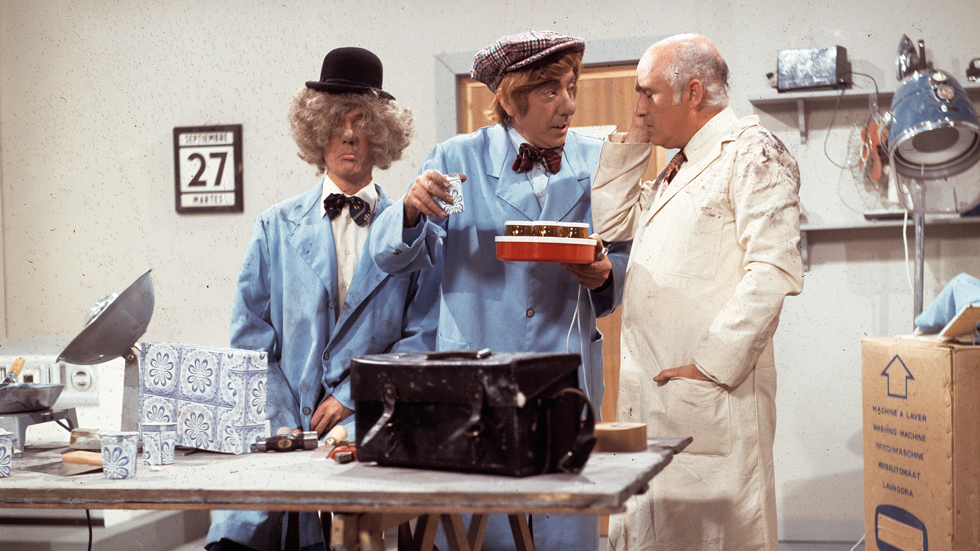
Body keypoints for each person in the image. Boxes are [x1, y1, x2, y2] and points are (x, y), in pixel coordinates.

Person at [368, 30, 629, 551]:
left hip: (564, 376)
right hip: (476, 382)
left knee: (562, 526)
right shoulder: (457, 159)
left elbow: (623, 256)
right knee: (478, 532)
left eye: (571, 88)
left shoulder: (599, 161)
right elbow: (389, 257)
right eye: (551, 91)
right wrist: (411, 210)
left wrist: (606, 275)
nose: (569, 105)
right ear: (510, 100)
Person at [206, 46, 434, 551]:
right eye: (336, 123)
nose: (349, 135)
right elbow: (250, 341)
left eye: (362, 122)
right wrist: (284, 419)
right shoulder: (274, 225)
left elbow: (421, 339)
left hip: (370, 420)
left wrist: (352, 396)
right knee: (240, 532)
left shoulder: (413, 229)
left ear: (382, 135)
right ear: (316, 132)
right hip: (283, 422)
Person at [590, 34, 804, 551]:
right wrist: (637, 138)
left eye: (647, 94)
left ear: (692, 93)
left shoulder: (752, 152)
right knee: (653, 531)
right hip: (657, 394)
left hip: (709, 390)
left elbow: (773, 270)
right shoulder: (679, 164)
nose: (639, 108)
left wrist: (711, 365)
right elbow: (611, 223)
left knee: (715, 537)